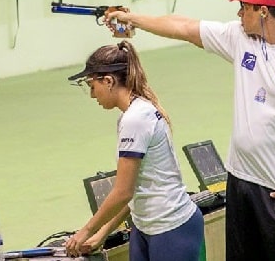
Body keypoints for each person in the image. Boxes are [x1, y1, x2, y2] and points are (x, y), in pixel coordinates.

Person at [106, 0, 275, 261]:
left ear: (263, 11)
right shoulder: (239, 38)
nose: (239, 15)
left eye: (244, 7)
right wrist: (132, 19)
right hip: (240, 181)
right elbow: (183, 26)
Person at [64, 41, 204, 260]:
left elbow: (122, 192)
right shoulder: (134, 113)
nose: (92, 95)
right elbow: (134, 187)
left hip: (171, 228)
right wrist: (103, 232)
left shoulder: (135, 118)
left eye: (92, 86)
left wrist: (85, 232)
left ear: (108, 81)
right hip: (145, 226)